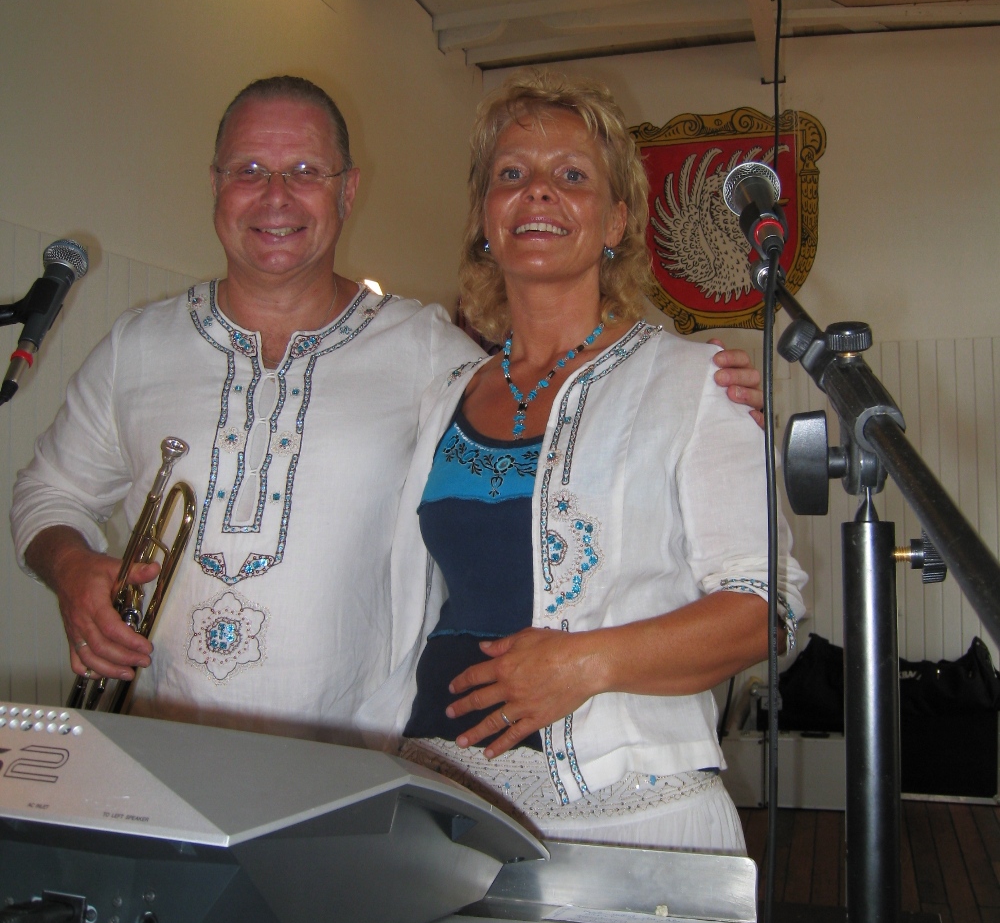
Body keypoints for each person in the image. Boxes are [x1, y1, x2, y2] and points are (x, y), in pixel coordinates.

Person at [10, 75, 766, 742]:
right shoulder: (136, 346)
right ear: (215, 184)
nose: (276, 196)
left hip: (359, 766)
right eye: (250, 171)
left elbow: (563, 396)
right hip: (165, 741)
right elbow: (47, 493)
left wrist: (694, 389)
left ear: (347, 191)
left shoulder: (427, 351)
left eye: (306, 171)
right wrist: (71, 568)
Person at [360, 71, 806, 852]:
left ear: (616, 221)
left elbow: (765, 610)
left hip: (627, 811)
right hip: (437, 804)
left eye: (571, 176)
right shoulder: (444, 391)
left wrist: (586, 663)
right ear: (485, 218)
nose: (537, 191)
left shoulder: (691, 380)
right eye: (511, 173)